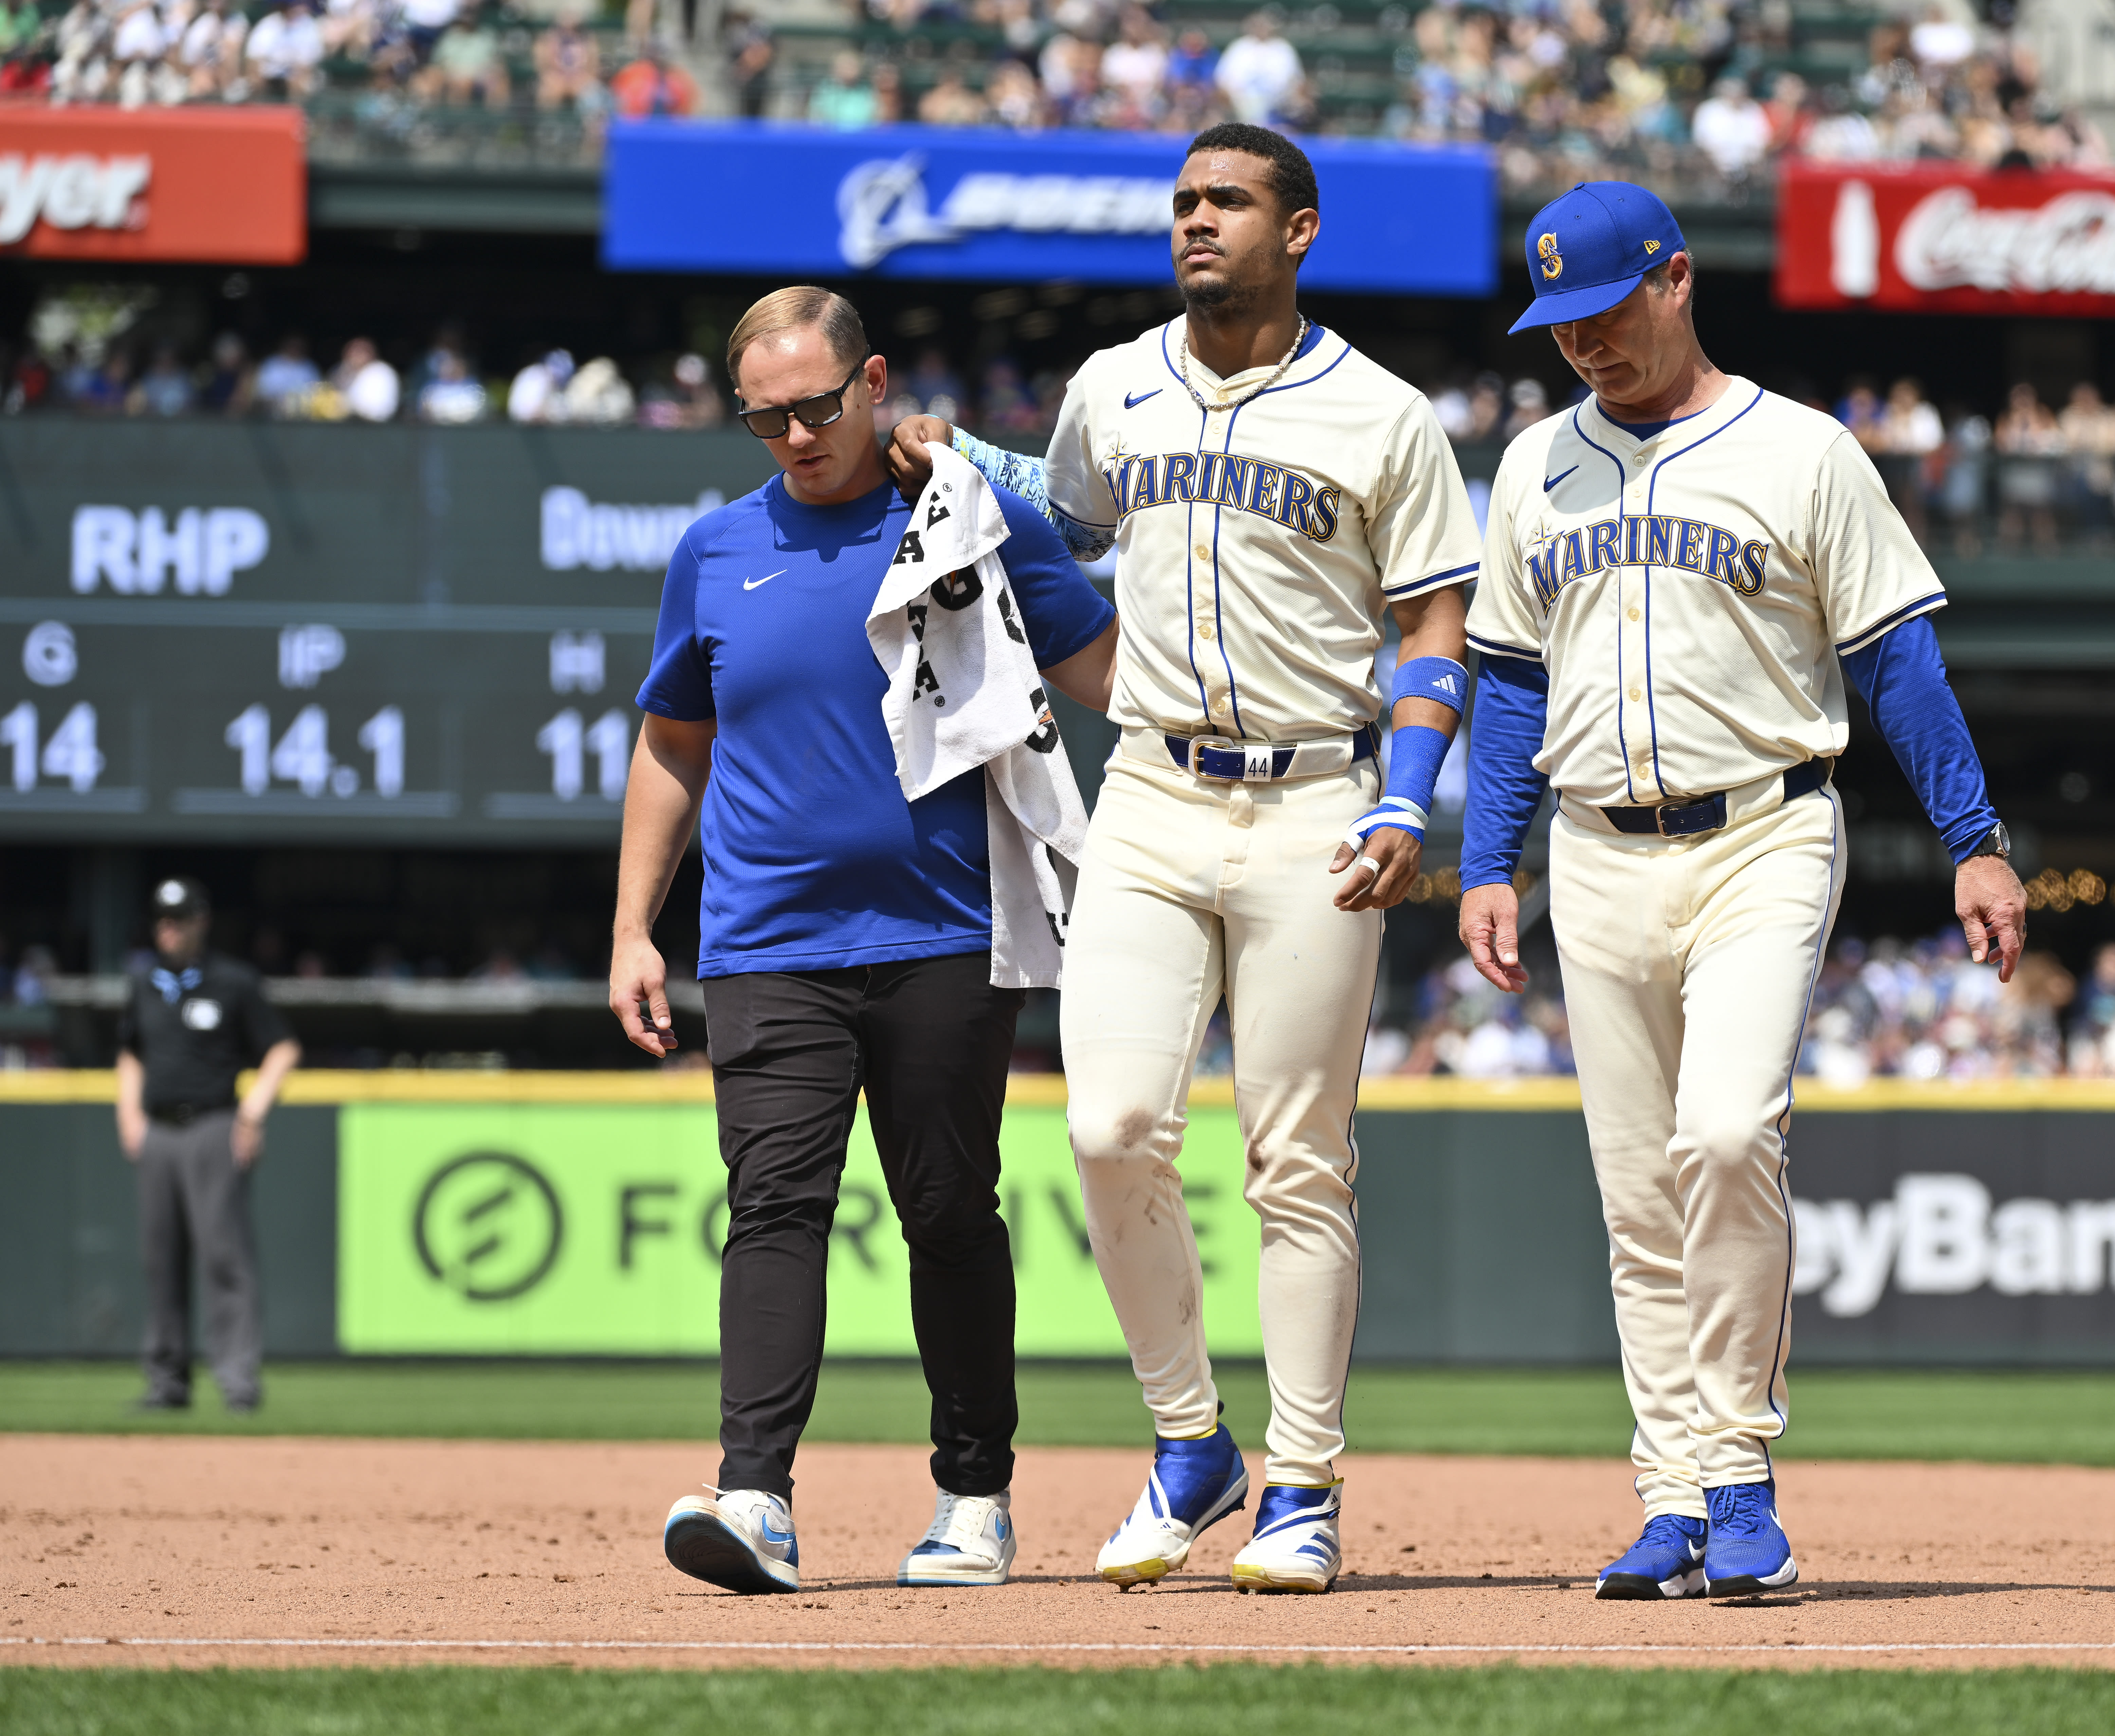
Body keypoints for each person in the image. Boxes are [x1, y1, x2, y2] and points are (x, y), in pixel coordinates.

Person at [888, 123, 1481, 1594]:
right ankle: (1188, 1442)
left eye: (1226, 202)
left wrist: (1411, 800)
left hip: (1317, 798)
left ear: (1300, 231)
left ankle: (1306, 1483)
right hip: (1149, 788)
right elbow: (1071, 518)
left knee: (1296, 1160)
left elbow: (1432, 627)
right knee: (1108, 1129)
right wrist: (960, 455)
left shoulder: (1385, 414)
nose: (1195, 221)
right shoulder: (1115, 383)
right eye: (1183, 203)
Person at [1456, 181, 2024, 1601]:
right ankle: (1672, 1497)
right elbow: (1511, 685)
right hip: (1590, 849)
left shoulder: (1802, 451)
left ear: (1675, 280)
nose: (1579, 344)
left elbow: (1898, 658)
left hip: (1765, 831)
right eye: (1557, 324)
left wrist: (1975, 836)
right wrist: (1486, 858)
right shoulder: (1535, 465)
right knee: (1637, 1195)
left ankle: (1739, 1472)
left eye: (1600, 312)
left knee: (1722, 1137)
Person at [612, 287, 1117, 1597]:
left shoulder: (958, 516)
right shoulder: (715, 552)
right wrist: (632, 926)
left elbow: (1102, 664)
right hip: (766, 940)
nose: (792, 435)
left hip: (950, 932)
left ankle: (973, 1496)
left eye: (815, 406)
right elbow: (674, 741)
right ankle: (755, 1497)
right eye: (763, 416)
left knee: (947, 1209)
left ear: (873, 380)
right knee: (773, 1204)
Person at [117, 877, 300, 1414]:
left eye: (180, 919)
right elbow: (130, 1051)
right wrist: (128, 1115)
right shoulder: (146, 983)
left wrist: (253, 1112)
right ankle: (167, 1380)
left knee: (224, 1255)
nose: (170, 929)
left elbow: (283, 1049)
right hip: (158, 1131)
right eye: (163, 920)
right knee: (162, 1258)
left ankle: (237, 1380)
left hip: (214, 1127)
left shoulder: (232, 982)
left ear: (203, 920)